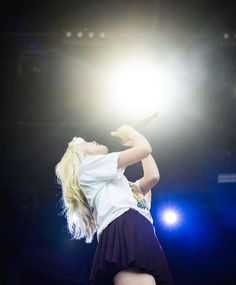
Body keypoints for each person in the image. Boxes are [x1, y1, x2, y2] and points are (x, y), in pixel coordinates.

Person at [55, 124, 173, 285]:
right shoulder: (88, 167)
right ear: (80, 154)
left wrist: (136, 141)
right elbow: (144, 149)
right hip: (125, 225)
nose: (94, 141)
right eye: (86, 142)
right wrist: (135, 135)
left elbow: (152, 176)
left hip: (140, 228)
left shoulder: (120, 185)